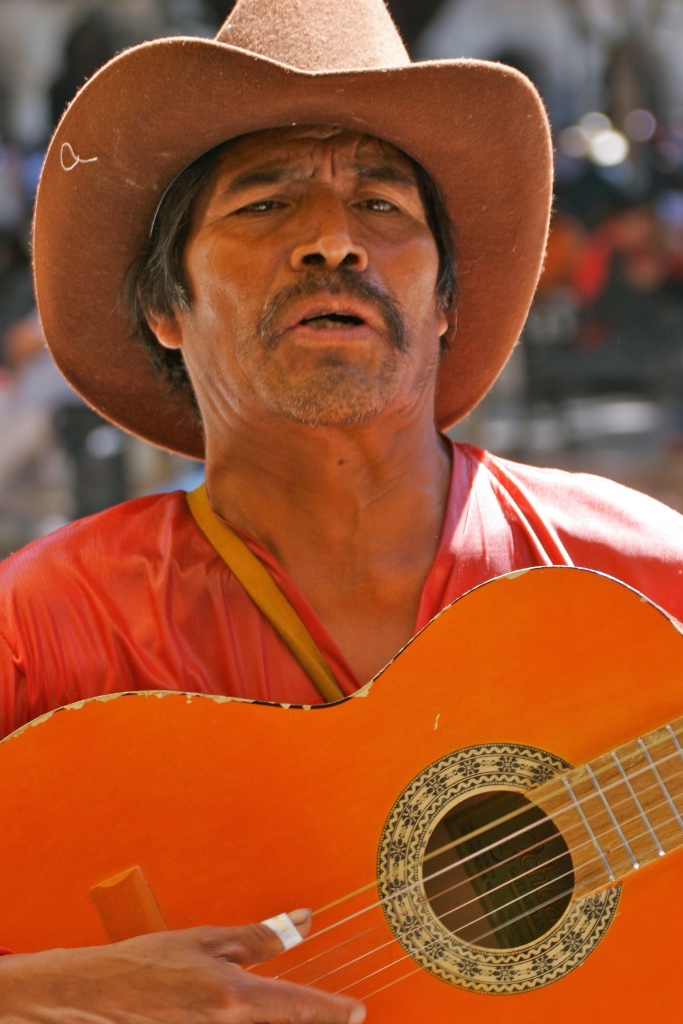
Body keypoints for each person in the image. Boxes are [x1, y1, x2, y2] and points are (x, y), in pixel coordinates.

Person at [2, 0, 683, 1020]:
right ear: (165, 309)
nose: (332, 242)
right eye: (264, 207)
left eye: (381, 208)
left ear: (445, 300)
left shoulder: (634, 579)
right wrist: (48, 989)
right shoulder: (44, 628)